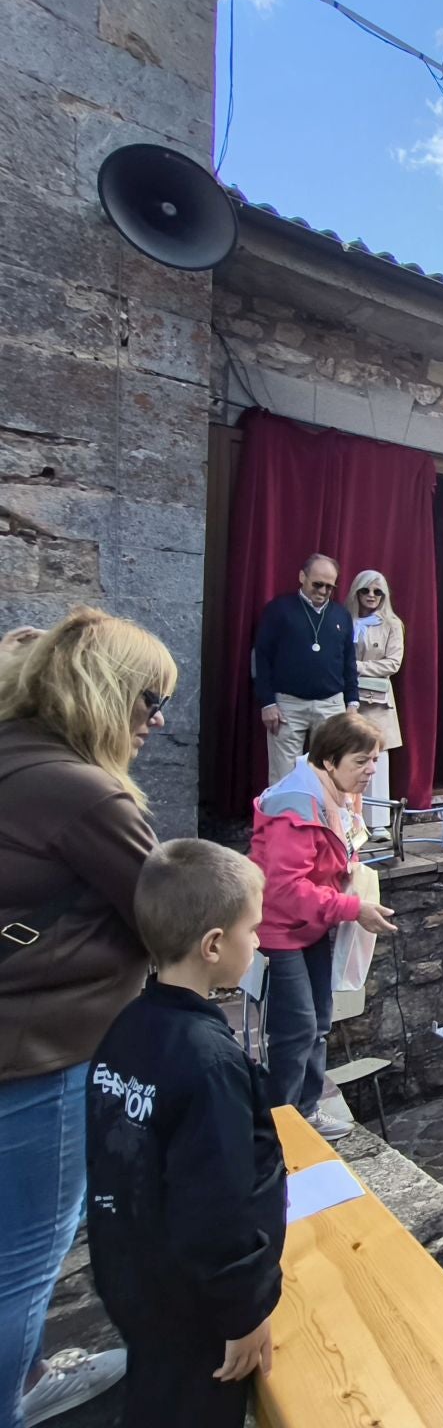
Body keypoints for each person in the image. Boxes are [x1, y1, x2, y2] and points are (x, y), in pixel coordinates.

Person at [0, 609, 176, 1426]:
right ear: (105, 695)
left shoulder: (17, 759)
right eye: (148, 701)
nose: (158, 721)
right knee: (26, 1264)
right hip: (42, 1052)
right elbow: (169, 912)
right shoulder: (85, 791)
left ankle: (28, 1380)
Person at [84, 841, 283, 1428]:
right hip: (197, 1305)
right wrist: (244, 1310)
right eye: (253, 929)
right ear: (214, 945)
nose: (260, 942)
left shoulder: (125, 1028)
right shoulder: (209, 1062)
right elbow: (216, 1202)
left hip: (133, 1275)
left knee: (155, 1392)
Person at [248, 711, 395, 1133]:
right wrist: (353, 909)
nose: (370, 771)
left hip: (310, 926)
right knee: (295, 1030)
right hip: (280, 932)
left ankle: (306, 1111)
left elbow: (334, 857)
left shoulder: (335, 794)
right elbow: (284, 889)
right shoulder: (296, 805)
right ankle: (278, 1127)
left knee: (318, 1023)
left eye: (374, 762)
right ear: (329, 761)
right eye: (361, 762)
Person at [252, 553, 360, 787]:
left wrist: (352, 703)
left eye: (329, 587)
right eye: (318, 584)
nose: (322, 591)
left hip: (331, 703)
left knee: (332, 773)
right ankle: (284, 823)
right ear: (302, 577)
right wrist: (267, 702)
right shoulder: (279, 609)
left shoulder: (341, 615)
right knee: (284, 775)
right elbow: (261, 657)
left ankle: (325, 823)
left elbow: (349, 662)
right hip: (287, 705)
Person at [346, 569, 404, 838]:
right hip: (347, 698)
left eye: (377, 592)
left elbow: (392, 663)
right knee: (348, 756)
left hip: (377, 701)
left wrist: (356, 667)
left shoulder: (392, 624)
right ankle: (349, 821)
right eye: (365, 590)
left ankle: (378, 822)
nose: (371, 596)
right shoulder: (344, 620)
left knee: (378, 760)